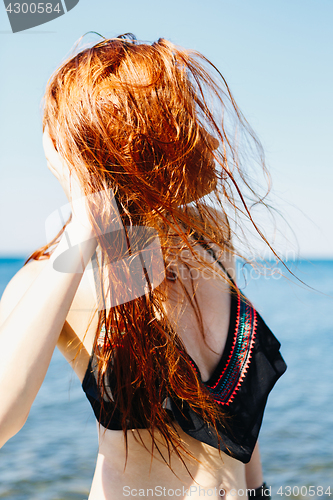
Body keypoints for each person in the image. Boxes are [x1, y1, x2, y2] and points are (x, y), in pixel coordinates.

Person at [0, 34, 286, 499]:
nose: (211, 139)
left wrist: (259, 493)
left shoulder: (209, 233)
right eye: (187, 123)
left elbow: (236, 427)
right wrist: (86, 217)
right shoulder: (61, 274)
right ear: (136, 144)